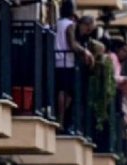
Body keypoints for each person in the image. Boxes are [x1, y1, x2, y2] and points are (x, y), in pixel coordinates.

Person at [55, 3, 95, 132]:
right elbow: (72, 44)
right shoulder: (70, 25)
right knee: (65, 92)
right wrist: (85, 52)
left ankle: (60, 118)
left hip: (58, 60)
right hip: (66, 61)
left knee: (65, 91)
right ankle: (60, 119)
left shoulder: (58, 23)